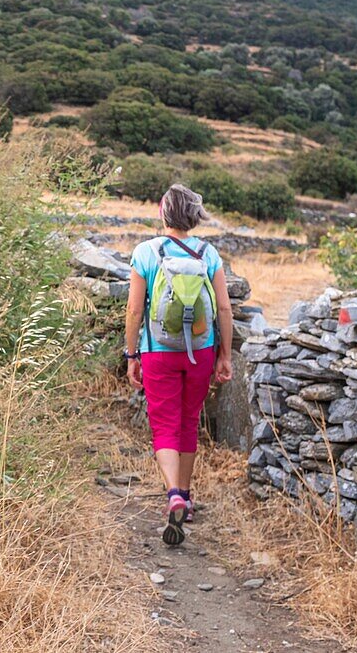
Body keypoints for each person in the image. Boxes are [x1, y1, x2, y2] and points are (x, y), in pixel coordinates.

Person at [123, 184, 233, 546]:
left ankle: (172, 493)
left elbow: (135, 310)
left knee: (165, 423)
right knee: (188, 421)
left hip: (158, 351)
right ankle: (185, 495)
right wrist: (225, 355)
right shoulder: (209, 253)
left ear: (162, 213)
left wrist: (131, 354)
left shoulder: (146, 252)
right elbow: (225, 309)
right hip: (200, 351)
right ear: (195, 216)